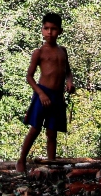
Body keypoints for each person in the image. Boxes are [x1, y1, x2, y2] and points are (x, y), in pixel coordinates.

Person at [16, 12, 73, 173]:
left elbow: (68, 71)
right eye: (46, 28)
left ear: (60, 31)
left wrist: (69, 81)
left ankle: (51, 163)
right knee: (35, 128)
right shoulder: (39, 52)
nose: (49, 32)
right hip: (43, 94)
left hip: (57, 96)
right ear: (42, 30)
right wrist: (40, 93)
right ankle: (21, 160)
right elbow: (29, 76)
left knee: (52, 131)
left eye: (53, 29)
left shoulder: (63, 51)